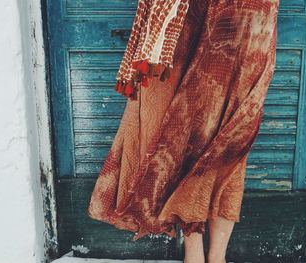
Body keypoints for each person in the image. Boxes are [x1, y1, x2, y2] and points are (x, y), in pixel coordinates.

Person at [88, 0, 280, 262]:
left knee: (232, 140)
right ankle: (194, 254)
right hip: (184, 13)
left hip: (246, 18)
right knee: (181, 136)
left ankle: (216, 257)